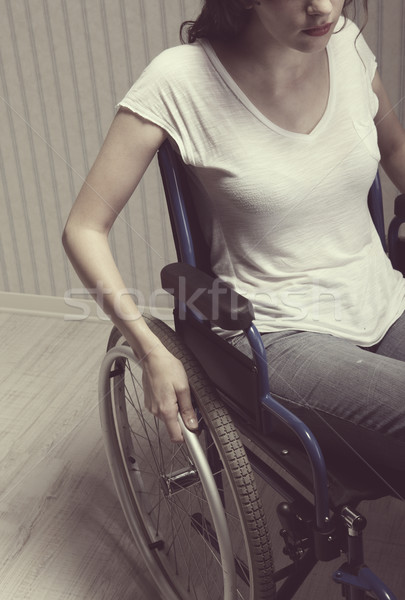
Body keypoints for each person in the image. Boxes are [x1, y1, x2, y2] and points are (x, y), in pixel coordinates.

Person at [63, 0, 405, 483]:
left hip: (385, 302)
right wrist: (148, 348)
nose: (323, 7)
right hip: (278, 334)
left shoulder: (346, 42)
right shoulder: (181, 79)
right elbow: (84, 226)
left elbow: (393, 147)